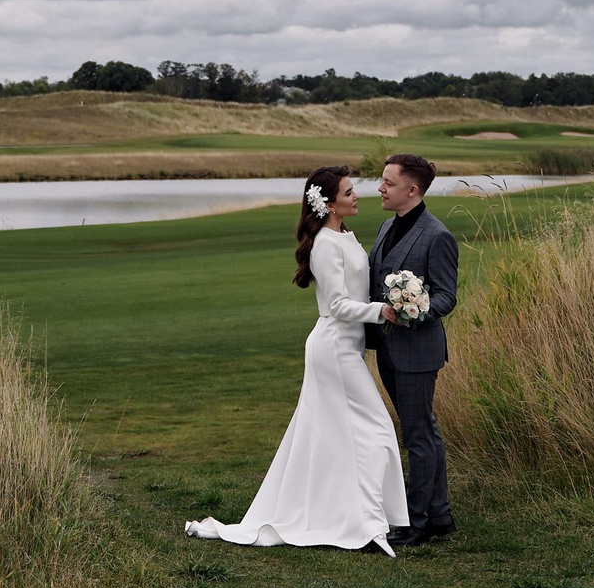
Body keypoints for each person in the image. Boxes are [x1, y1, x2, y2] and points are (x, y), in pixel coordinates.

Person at [184, 166, 410, 555]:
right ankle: (371, 524)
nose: (358, 196)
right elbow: (337, 305)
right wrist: (381, 312)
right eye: (349, 192)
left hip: (347, 347)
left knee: (338, 436)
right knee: (378, 430)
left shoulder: (344, 235)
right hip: (334, 348)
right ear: (330, 203)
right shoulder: (324, 242)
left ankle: (361, 518)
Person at [365, 153, 458, 545]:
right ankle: (439, 516)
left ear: (412, 189)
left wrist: (413, 313)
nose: (380, 187)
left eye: (388, 182)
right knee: (423, 432)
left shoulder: (437, 236)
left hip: (417, 350)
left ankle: (417, 522)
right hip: (387, 348)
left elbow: (446, 297)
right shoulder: (388, 226)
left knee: (418, 436)